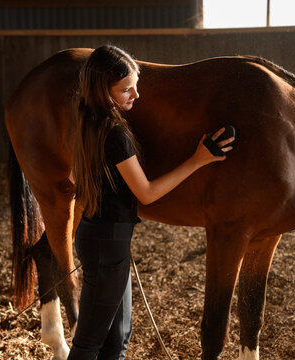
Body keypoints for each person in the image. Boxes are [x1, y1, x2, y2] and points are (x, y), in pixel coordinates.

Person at [69, 45, 234, 360]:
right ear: (104, 91)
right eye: (126, 89)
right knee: (88, 343)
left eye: (136, 85)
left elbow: (77, 179)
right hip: (107, 241)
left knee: (118, 338)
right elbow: (146, 193)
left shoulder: (84, 118)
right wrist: (198, 160)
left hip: (101, 236)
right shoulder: (115, 133)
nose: (136, 95)